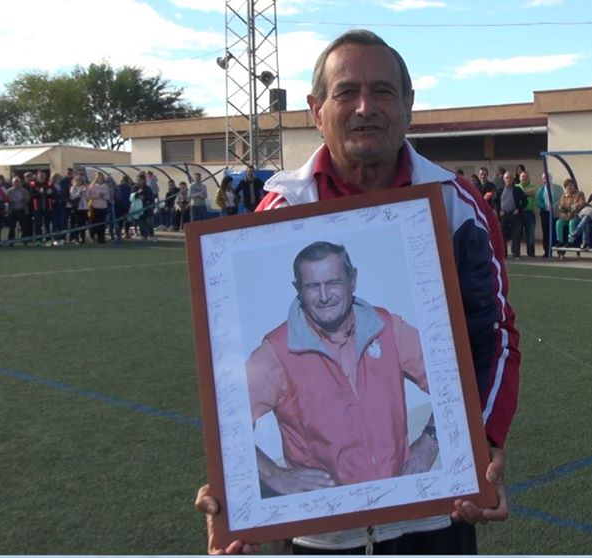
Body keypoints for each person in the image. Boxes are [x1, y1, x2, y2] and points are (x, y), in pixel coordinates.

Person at [195, 29, 519, 556]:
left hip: (434, 518)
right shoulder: (280, 213)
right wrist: (241, 485)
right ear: (316, 109)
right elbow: (229, 389)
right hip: (319, 533)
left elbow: (492, 339)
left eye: (383, 92)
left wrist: (472, 442)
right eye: (346, 92)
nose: (365, 107)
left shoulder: (458, 207)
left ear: (408, 106)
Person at [247, 241, 436, 497]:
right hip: (329, 519)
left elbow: (452, 384)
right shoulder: (276, 352)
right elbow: (225, 426)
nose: (325, 296)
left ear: (352, 280)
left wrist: (430, 441)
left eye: (333, 282)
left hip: (398, 499)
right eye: (313, 286)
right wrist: (272, 474)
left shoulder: (389, 328)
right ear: (298, 290)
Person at [493, 171, 527, 259]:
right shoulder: (500, 190)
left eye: (510, 178)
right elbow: (495, 202)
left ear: (513, 179)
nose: (509, 179)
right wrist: (499, 210)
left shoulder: (517, 190)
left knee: (516, 235)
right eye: (507, 178)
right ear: (504, 179)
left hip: (514, 215)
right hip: (504, 215)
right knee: (502, 235)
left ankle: (516, 254)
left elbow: (525, 201)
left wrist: (518, 209)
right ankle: (503, 254)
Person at [569, 181, 592, 249]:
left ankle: (576, 232)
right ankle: (585, 243)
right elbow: (587, 205)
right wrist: (590, 204)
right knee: (586, 221)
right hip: (590, 216)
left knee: (586, 218)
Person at [554, 179, 585, 248]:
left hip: (576, 216)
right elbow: (561, 206)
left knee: (572, 222)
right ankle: (560, 241)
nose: (569, 187)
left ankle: (571, 241)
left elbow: (581, 204)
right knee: (559, 222)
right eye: (567, 186)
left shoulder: (580, 194)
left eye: (570, 185)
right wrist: (564, 209)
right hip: (566, 215)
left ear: (574, 185)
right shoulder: (564, 196)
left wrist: (571, 208)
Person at [535, 173, 559, 256]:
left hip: (556, 213)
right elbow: (538, 201)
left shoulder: (558, 188)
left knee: (556, 231)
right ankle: (547, 251)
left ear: (551, 178)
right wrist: (545, 206)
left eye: (547, 178)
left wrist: (554, 206)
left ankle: (560, 251)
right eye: (544, 178)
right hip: (545, 213)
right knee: (546, 232)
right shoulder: (540, 189)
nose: (545, 180)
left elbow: (562, 198)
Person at [517, 170, 537, 257]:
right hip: (518, 213)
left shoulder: (532, 187)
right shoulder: (516, 186)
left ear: (528, 178)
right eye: (522, 176)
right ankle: (516, 253)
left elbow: (531, 192)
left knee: (530, 234)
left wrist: (520, 193)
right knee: (517, 233)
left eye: (526, 176)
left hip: (529, 213)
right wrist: (524, 194)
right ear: (519, 178)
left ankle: (531, 253)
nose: (524, 178)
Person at [88, 172, 110, 244]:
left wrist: (103, 196)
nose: (99, 178)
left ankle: (101, 238)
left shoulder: (105, 186)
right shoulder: (92, 186)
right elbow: (89, 196)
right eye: (98, 177)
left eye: (101, 177)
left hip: (103, 207)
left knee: (102, 223)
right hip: (95, 206)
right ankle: (92, 237)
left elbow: (108, 197)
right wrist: (98, 196)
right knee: (94, 222)